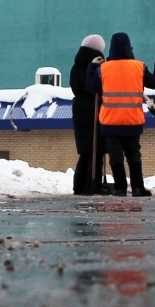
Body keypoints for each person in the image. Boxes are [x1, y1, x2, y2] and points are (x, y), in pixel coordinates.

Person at [90, 32, 155, 196]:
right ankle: (138, 188)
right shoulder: (139, 67)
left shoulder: (103, 69)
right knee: (133, 155)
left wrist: (92, 67)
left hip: (110, 121)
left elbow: (91, 86)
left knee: (115, 156)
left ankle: (120, 188)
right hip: (132, 120)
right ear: (129, 48)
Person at [68, 34, 105, 195]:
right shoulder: (97, 65)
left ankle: (80, 185)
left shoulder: (76, 66)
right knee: (97, 150)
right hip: (94, 109)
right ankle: (93, 184)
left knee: (85, 152)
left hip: (79, 109)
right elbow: (99, 86)